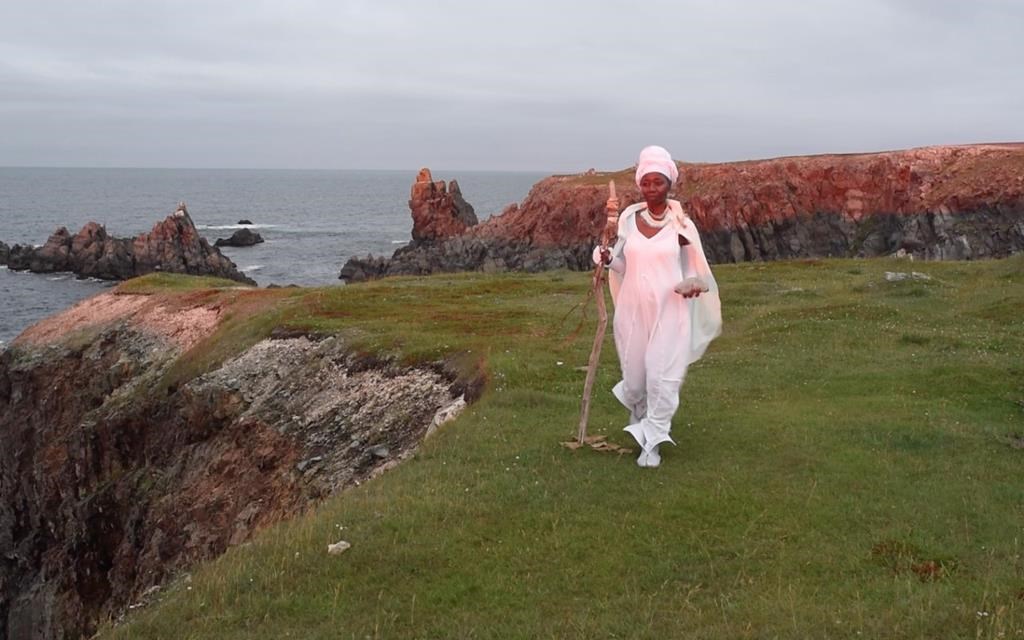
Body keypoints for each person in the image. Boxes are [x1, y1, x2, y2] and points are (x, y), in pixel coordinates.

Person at [594, 145, 722, 468]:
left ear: (669, 185)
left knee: (661, 377)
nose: (651, 188)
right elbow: (623, 265)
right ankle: (639, 414)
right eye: (646, 182)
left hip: (670, 311)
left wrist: (693, 284)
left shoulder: (681, 226)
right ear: (640, 184)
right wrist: (607, 259)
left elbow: (695, 270)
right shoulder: (628, 220)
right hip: (633, 312)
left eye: (658, 182)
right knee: (636, 380)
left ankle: (651, 440)